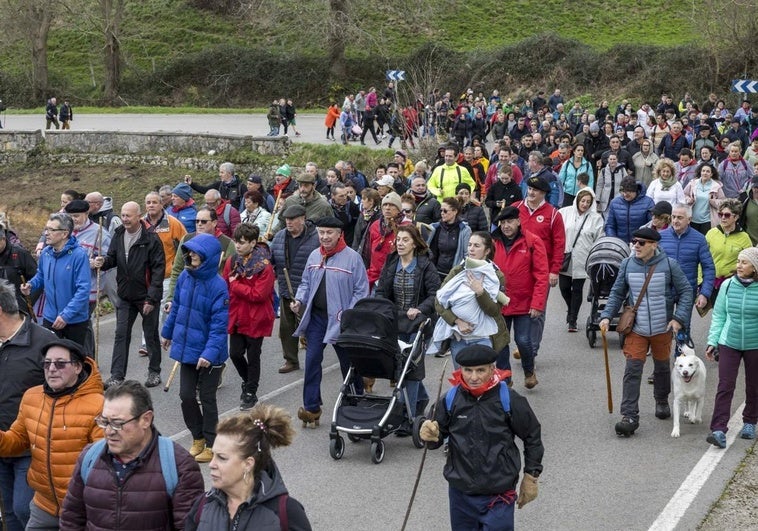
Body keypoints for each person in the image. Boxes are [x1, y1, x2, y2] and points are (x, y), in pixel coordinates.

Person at [419, 344, 544, 530]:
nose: (474, 377)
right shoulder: (449, 399)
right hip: (460, 494)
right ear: (460, 369)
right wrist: (429, 437)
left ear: (492, 368)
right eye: (468, 370)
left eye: (480, 370)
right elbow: (434, 439)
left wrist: (531, 476)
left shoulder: (509, 399)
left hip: (499, 495)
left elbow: (532, 435)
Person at [60, 380, 204, 530]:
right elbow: (71, 520)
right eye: (104, 422)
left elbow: (189, 526)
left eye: (117, 423)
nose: (108, 431)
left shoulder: (179, 465)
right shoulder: (89, 457)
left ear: (146, 420)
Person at [0, 338, 103, 529]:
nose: (52, 368)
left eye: (60, 363)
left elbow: (105, 463)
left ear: (78, 367)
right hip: (43, 506)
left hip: (81, 510)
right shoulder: (32, 396)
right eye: (47, 363)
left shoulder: (98, 405)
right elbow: (15, 442)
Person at [599, 227, 693, 436]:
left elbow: (686, 291)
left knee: (661, 367)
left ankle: (661, 400)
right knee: (632, 370)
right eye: (634, 242)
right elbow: (617, 292)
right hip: (636, 328)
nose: (636, 246)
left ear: (654, 245)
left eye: (641, 243)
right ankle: (629, 416)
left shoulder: (669, 265)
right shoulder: (626, 264)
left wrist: (678, 318)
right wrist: (606, 315)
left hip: (662, 327)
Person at [291, 217, 369, 427]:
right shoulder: (314, 255)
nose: (324, 237)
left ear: (339, 234)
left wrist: (348, 315)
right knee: (312, 361)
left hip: (342, 321)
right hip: (317, 318)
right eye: (321, 232)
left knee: (349, 365)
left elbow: (362, 290)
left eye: (329, 233)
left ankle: (355, 402)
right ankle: (311, 408)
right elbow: (306, 283)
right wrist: (299, 300)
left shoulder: (352, 258)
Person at [184, 405, 312, 530]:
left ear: (248, 464)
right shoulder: (203, 505)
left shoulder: (287, 512)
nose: (211, 464)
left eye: (222, 458)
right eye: (213, 455)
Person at [162, 233, 229, 464]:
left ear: (207, 256)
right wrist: (167, 333)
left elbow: (220, 327)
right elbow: (178, 307)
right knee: (186, 396)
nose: (191, 255)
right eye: (189, 251)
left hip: (211, 354)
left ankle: (212, 443)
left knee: (207, 398)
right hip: (188, 349)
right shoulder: (184, 277)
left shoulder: (218, 286)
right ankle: (197, 437)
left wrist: (209, 354)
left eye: (196, 252)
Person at [0, 279, 55, 531]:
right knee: (9, 512)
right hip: (1, 446)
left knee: (25, 510)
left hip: (31, 446)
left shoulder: (44, 342)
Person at [94, 202, 165, 389]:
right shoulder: (118, 234)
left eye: (128, 216)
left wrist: (152, 298)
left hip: (146, 295)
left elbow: (158, 270)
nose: (125, 219)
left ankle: (154, 372)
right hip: (125, 294)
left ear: (138, 216)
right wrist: (103, 262)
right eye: (123, 215)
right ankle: (117, 375)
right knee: (121, 334)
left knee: (150, 335)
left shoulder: (150, 238)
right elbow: (112, 258)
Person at [374, 225, 440, 428]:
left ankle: (406, 416)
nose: (400, 243)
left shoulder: (425, 265)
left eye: (405, 240)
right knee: (401, 367)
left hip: (419, 324)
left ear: (414, 243)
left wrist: (420, 309)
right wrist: (382, 309)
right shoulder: (392, 262)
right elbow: (382, 291)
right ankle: (420, 399)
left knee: (410, 368)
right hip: (396, 322)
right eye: (398, 239)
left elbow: (435, 293)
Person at [704, 248, 758, 448]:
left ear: (755, 268)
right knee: (725, 385)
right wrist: (712, 341)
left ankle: (750, 422)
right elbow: (718, 315)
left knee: (754, 386)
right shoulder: (727, 285)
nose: (739, 265)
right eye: (738, 261)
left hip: (755, 344)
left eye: (744, 262)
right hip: (729, 342)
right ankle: (718, 429)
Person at [492, 207, 549, 389]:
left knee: (523, 341)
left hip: (524, 302)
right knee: (500, 344)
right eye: (503, 222)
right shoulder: (493, 241)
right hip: (500, 302)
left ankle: (529, 370)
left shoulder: (532, 241)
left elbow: (542, 275)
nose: (506, 226)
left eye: (510, 222)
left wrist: (537, 304)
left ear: (518, 221)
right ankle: (505, 379)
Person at [224, 224, 275, 411]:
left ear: (253, 243)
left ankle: (251, 391)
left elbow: (258, 295)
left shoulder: (264, 266)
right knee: (235, 353)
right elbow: (225, 284)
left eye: (242, 243)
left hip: (256, 317)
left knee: (253, 356)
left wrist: (235, 286)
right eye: (236, 242)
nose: (237, 246)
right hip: (237, 315)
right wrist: (232, 287)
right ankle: (247, 382)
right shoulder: (232, 260)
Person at [21, 212, 91, 348]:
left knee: (73, 360)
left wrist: (66, 315)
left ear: (65, 234)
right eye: (46, 229)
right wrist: (31, 285)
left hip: (74, 319)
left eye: (52, 230)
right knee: (51, 358)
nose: (46, 233)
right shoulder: (46, 253)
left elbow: (83, 291)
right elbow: (41, 275)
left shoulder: (79, 256)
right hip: (51, 317)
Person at [270, 205, 319, 374]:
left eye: (292, 219)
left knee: (312, 328)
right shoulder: (279, 237)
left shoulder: (316, 237)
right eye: (286, 219)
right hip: (286, 289)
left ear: (303, 218)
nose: (288, 222)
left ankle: (314, 360)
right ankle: (291, 360)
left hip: (309, 292)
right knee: (286, 328)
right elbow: (271, 260)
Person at [558, 189, 605, 332]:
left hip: (583, 258)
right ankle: (570, 309)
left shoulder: (596, 218)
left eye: (588, 202)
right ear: (577, 200)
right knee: (564, 287)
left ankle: (573, 320)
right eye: (583, 201)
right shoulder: (564, 212)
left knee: (577, 289)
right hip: (565, 256)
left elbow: (599, 238)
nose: (584, 204)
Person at [705, 198, 753, 304]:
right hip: (712, 282)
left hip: (733, 283)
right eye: (720, 214)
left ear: (736, 217)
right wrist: (701, 280)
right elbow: (701, 258)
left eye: (727, 215)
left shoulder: (744, 237)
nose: (723, 218)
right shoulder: (711, 233)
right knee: (717, 315)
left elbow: (750, 262)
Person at [428, 197, 472, 281]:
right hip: (436, 272)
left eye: (445, 211)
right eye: (441, 210)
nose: (442, 213)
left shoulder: (464, 230)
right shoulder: (435, 227)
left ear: (455, 211)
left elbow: (467, 254)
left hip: (455, 274)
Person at [0, 219, 38, 315]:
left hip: (18, 308)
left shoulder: (20, 254)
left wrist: (27, 304)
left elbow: (38, 279)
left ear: (3, 239)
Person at [605, 178, 655, 243]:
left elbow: (652, 225)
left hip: (640, 243)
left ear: (635, 191)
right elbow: (610, 225)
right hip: (620, 244)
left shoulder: (648, 202)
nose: (625, 195)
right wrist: (613, 241)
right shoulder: (614, 202)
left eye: (629, 192)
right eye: (623, 192)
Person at [683, 163, 725, 234]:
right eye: (703, 171)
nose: (705, 173)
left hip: (708, 220)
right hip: (692, 219)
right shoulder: (693, 183)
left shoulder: (716, 186)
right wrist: (688, 200)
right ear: (700, 172)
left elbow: (723, 202)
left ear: (711, 174)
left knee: (705, 241)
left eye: (708, 171)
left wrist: (713, 201)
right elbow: (684, 194)